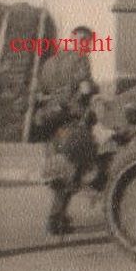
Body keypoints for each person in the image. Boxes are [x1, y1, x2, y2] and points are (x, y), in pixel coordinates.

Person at [36, 25, 99, 236]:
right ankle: (56, 219)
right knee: (73, 168)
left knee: (57, 168)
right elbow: (86, 89)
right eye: (87, 42)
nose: (88, 47)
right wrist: (94, 89)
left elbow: (40, 93)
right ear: (82, 40)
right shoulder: (80, 60)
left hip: (51, 121)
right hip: (72, 121)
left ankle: (58, 216)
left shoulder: (50, 62)